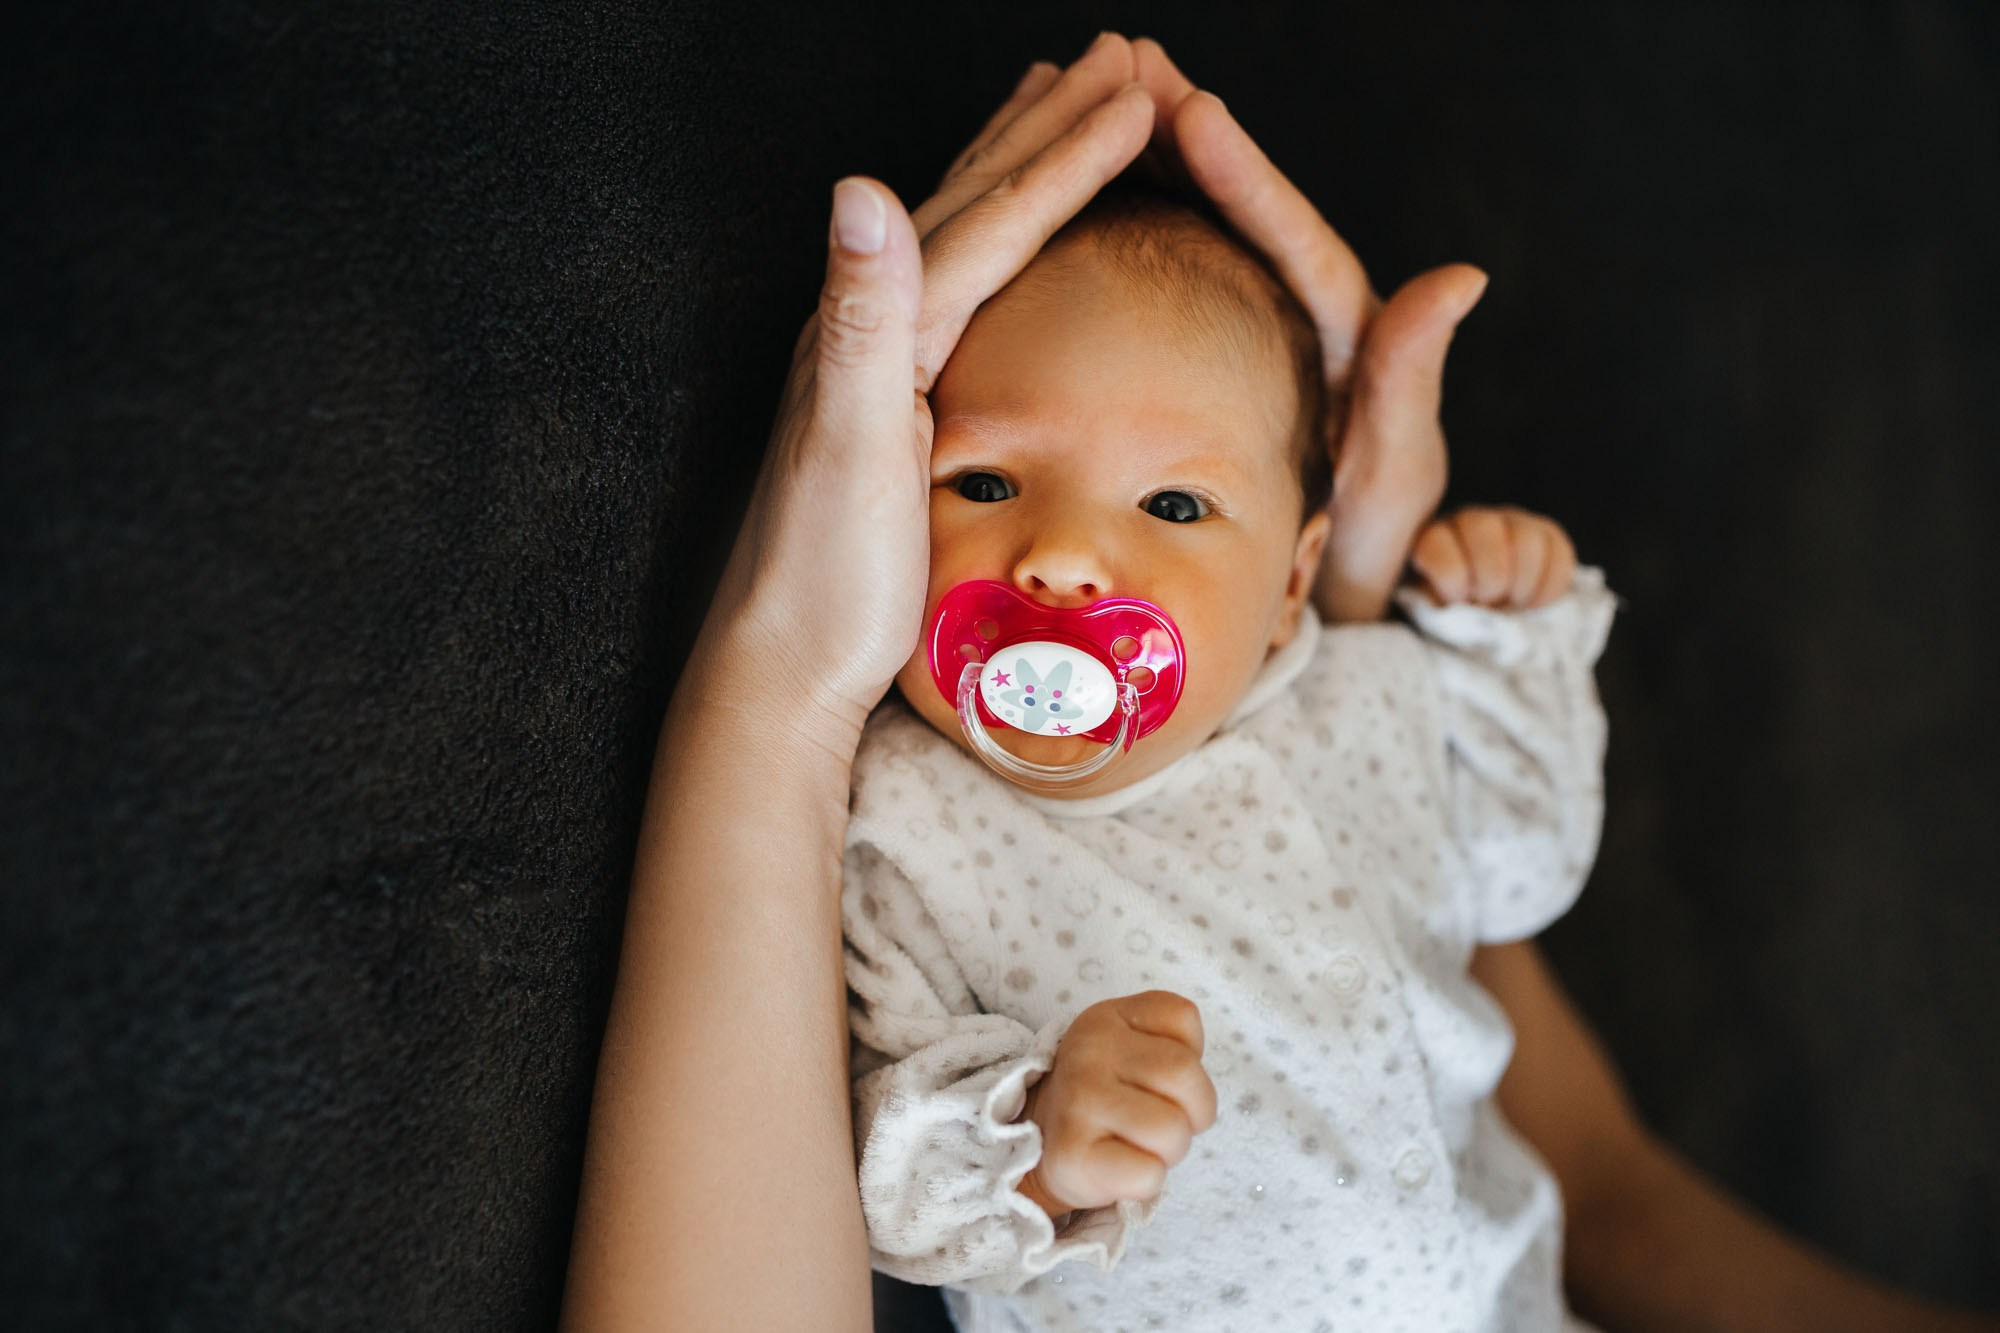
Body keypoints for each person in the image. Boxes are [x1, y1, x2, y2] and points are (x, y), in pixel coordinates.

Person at [562, 33, 1999, 1333]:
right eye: (985, 483)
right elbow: (891, 1164)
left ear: (1295, 579)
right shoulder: (902, 821)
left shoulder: (1361, 699)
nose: (1064, 558)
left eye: (1175, 507)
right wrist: (1039, 1142)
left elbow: (1522, 868)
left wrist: (1503, 646)